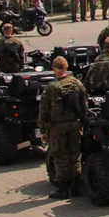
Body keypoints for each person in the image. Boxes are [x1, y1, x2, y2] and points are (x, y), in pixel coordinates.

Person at [37, 55, 87, 198]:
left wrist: (43, 130)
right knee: (74, 155)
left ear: (55, 69)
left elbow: (44, 110)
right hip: (75, 125)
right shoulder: (77, 83)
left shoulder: (52, 87)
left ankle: (63, 189)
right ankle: (75, 187)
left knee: (60, 156)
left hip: (57, 127)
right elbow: (84, 104)